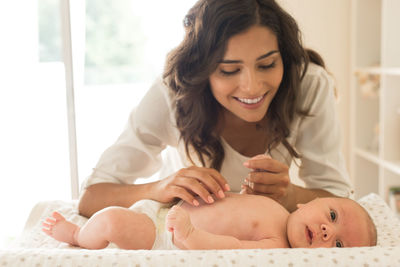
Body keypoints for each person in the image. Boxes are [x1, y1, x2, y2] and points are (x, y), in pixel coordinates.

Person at [78, 0, 352, 218]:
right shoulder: (174, 94)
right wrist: (159, 188)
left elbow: (339, 198)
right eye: (229, 70)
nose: (252, 87)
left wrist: (290, 195)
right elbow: (91, 198)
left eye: (267, 65)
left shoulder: (308, 83)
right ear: (202, 70)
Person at [42, 193, 377, 250]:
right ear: (306, 203)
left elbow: (228, 248)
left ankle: (78, 235)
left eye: (337, 243)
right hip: (167, 209)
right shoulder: (277, 207)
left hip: (168, 235)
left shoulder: (277, 246)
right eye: (331, 216)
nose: (326, 230)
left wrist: (189, 234)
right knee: (117, 211)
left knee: (112, 222)